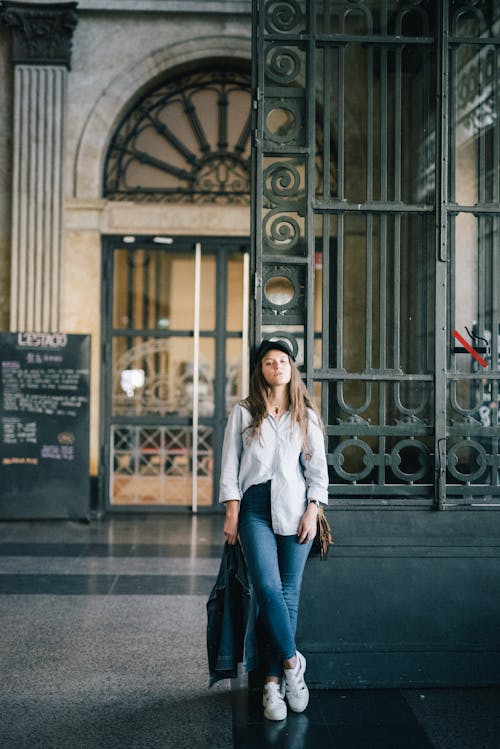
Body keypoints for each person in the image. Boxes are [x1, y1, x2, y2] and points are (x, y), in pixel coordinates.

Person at [219, 338, 329, 721]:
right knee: (267, 588)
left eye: (283, 361)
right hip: (254, 509)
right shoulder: (245, 412)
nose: (277, 366)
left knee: (287, 594)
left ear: (292, 367)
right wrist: (232, 511)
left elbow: (317, 472)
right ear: (260, 369)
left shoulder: (305, 414)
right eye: (269, 362)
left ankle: (271, 684)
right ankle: (291, 663)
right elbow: (229, 466)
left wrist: (312, 510)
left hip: (296, 507)